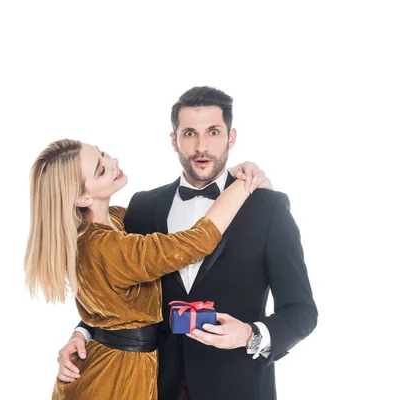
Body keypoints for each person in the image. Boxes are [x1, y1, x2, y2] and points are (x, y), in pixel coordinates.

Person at [56, 86, 318, 400]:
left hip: (239, 388)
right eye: (190, 133)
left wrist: (249, 334)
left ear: (231, 138)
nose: (201, 147)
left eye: (214, 132)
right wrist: (83, 331)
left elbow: (302, 311)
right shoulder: (142, 207)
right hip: (154, 387)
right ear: (174, 139)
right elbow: (115, 290)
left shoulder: (267, 208)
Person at [24, 138, 271, 399]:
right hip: (113, 379)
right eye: (100, 168)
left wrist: (81, 332)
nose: (113, 162)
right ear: (82, 197)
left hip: (127, 367)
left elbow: (108, 306)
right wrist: (244, 185)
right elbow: (195, 242)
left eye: (103, 153)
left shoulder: (116, 220)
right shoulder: (104, 245)